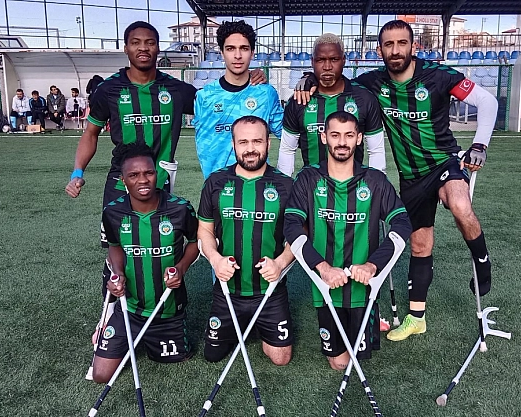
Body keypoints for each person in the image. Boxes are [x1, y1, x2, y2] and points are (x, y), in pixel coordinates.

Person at [295, 20, 498, 341]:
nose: (395, 50)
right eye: (388, 45)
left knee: (460, 204)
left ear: (413, 46)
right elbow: (336, 82)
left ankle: (482, 262)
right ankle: (417, 318)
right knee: (419, 244)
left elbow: (487, 102)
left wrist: (480, 145)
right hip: (411, 178)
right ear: (380, 50)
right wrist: (309, 79)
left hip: (444, 162)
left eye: (402, 43)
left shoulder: (439, 76)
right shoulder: (372, 83)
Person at [65, 21, 198, 342]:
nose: (143, 48)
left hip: (160, 183)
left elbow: (219, 103)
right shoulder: (108, 90)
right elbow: (91, 133)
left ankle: (157, 315)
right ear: (126, 48)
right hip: (119, 183)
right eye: (136, 42)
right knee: (118, 252)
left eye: (150, 42)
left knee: (157, 249)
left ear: (158, 47)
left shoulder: (177, 90)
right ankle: (110, 317)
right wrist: (78, 172)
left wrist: (250, 79)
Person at [283, 111, 411, 370]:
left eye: (349, 135)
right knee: (339, 363)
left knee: (358, 360)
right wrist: (322, 268)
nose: (342, 142)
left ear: (359, 138)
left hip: (364, 288)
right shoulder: (308, 178)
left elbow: (402, 223)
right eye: (335, 135)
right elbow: (291, 226)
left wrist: (373, 265)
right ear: (324, 137)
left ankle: (373, 321)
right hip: (325, 287)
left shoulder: (375, 180)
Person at [92, 141, 199, 383]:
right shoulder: (112, 212)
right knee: (101, 375)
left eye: (149, 173)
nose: (143, 180)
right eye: (134, 175)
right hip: (128, 310)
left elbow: (195, 243)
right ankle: (125, 337)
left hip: (168, 312)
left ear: (156, 173)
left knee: (175, 360)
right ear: (123, 179)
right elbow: (114, 246)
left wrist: (180, 268)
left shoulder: (180, 209)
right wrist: (117, 273)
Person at [198, 115, 295, 366]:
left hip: (269, 291)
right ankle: (240, 323)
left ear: (268, 144)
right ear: (233, 144)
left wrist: (280, 263)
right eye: (243, 142)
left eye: (257, 141)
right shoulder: (216, 182)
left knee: (281, 358)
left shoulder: (286, 186)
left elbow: (298, 237)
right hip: (228, 290)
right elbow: (205, 230)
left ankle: (258, 323)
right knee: (213, 355)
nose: (250, 149)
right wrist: (215, 259)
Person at [278, 33, 386, 176]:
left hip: (353, 186)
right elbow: (287, 150)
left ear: (343, 60)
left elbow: (376, 150)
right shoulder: (299, 100)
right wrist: (285, 185)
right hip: (311, 185)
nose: (327, 66)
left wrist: (378, 183)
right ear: (312, 62)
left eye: (334, 59)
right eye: (320, 60)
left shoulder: (364, 98)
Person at [193, 20, 283, 179]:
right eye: (230, 49)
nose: (237, 55)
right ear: (222, 53)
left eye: (244, 48)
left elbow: (289, 135)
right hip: (217, 186)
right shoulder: (205, 97)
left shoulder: (266, 94)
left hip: (258, 185)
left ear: (252, 53)